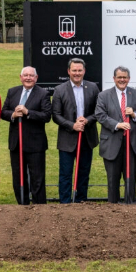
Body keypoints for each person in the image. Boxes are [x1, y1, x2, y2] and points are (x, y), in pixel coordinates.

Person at [95, 66, 136, 204]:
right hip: (112, 143)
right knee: (113, 178)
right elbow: (100, 115)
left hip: (132, 143)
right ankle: (113, 207)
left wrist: (134, 114)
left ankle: (130, 204)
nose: (122, 80)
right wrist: (118, 125)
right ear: (114, 79)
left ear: (128, 79)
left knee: (131, 177)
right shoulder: (103, 95)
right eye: (119, 77)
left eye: (125, 77)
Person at [50, 58, 99, 203]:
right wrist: (72, 125)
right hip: (67, 138)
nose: (77, 73)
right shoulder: (60, 90)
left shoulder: (93, 88)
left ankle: (81, 202)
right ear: (68, 71)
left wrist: (87, 120)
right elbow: (56, 115)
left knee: (83, 173)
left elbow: (99, 112)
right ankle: (65, 204)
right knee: (65, 173)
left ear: (84, 71)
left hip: (87, 137)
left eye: (79, 70)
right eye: (74, 70)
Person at [2, 66, 53, 204]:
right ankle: (22, 205)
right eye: (25, 75)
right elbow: (3, 111)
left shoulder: (43, 93)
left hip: (35, 144)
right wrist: (12, 114)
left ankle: (39, 207)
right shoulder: (13, 92)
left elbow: (47, 116)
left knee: (37, 178)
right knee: (18, 177)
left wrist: (28, 112)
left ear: (36, 78)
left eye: (31, 75)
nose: (28, 78)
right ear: (21, 77)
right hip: (16, 143)